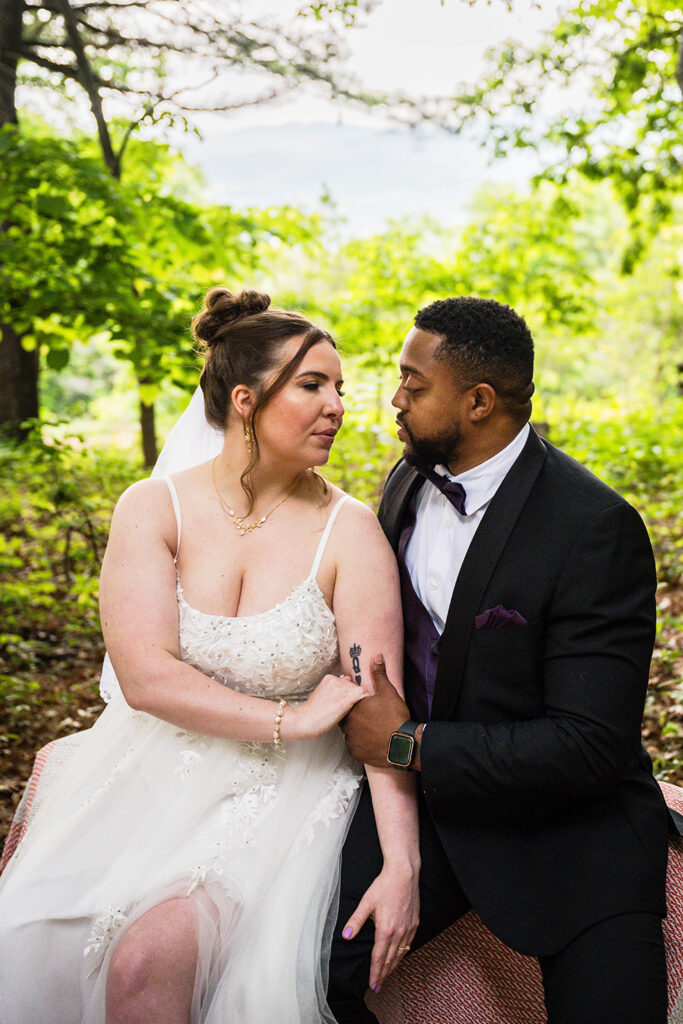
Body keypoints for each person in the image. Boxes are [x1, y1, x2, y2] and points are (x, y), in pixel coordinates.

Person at [0, 288, 419, 1024]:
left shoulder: (349, 533)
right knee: (38, 946)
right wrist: (290, 717)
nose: (338, 407)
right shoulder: (151, 508)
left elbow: (381, 714)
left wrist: (401, 865)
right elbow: (146, 676)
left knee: (144, 962)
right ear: (245, 399)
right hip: (147, 776)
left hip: (279, 797)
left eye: (340, 389)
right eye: (313, 385)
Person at [328, 296, 676, 1024]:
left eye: (413, 385)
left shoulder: (593, 529)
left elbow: (587, 746)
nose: (395, 399)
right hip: (431, 814)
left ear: (478, 401)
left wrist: (405, 743)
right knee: (300, 973)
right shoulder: (405, 481)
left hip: (572, 830)